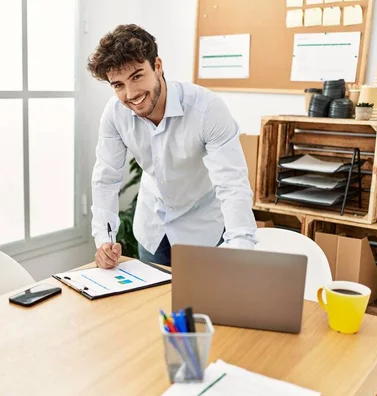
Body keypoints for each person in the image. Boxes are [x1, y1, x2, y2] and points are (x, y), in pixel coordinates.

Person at [87, 24, 257, 269]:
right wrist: (104, 240)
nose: (131, 93)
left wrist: (241, 248)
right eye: (118, 85)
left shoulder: (207, 110)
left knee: (200, 304)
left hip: (202, 228)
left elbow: (232, 185)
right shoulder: (115, 115)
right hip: (152, 229)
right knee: (153, 306)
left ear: (157, 66)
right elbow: (106, 179)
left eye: (137, 76)